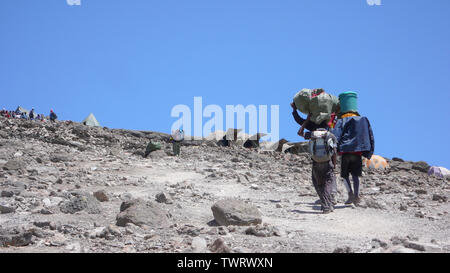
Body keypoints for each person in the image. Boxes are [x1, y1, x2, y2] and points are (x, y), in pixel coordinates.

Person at [332, 94, 375, 206]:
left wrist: (334, 148)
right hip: (357, 152)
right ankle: (356, 196)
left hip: (346, 152)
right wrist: (369, 151)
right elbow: (369, 135)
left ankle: (350, 194)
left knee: (345, 175)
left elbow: (336, 134)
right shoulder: (363, 120)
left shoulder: (342, 120)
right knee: (356, 175)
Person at [307, 126, 338, 214]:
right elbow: (334, 152)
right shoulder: (331, 135)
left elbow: (309, 149)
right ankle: (327, 206)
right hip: (327, 163)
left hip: (316, 163)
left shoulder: (313, 135)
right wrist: (334, 165)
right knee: (327, 184)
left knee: (319, 185)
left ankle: (326, 205)